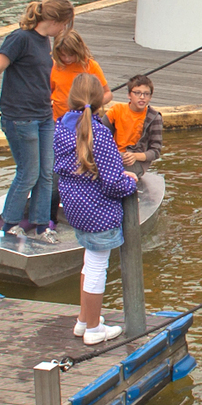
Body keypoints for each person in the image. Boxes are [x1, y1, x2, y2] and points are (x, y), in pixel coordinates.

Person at [0, 0, 72, 242]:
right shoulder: (20, 39)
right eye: (66, 23)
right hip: (20, 117)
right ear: (56, 20)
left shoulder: (44, 41)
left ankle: (41, 225)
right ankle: (10, 222)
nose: (66, 29)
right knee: (28, 173)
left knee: (46, 172)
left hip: (43, 116)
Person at [53, 71, 138, 345]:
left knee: (88, 263)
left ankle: (82, 320)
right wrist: (130, 184)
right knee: (97, 267)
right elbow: (113, 181)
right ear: (101, 99)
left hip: (74, 206)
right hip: (98, 209)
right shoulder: (99, 133)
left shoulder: (60, 127)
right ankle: (92, 329)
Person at [106, 73, 166, 214]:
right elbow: (100, 136)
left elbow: (156, 151)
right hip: (115, 156)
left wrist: (135, 156)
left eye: (146, 94)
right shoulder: (116, 111)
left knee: (120, 175)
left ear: (150, 97)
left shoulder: (154, 118)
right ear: (129, 95)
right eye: (137, 93)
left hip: (135, 160)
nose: (142, 97)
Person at [47, 5, 107, 121]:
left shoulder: (91, 66)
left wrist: (91, 106)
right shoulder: (54, 66)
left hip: (84, 120)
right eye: (63, 55)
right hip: (58, 120)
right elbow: (49, 91)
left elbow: (107, 94)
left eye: (71, 55)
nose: (67, 59)